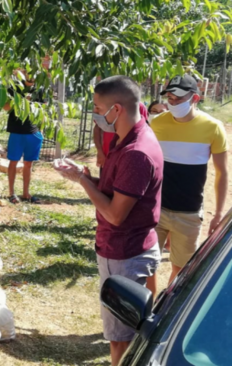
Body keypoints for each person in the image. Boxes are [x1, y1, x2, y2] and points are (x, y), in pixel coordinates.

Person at [54, 76, 162, 366]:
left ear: (116, 109)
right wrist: (89, 178)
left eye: (97, 107)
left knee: (121, 337)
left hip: (124, 252)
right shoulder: (127, 139)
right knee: (136, 327)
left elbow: (115, 214)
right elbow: (120, 191)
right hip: (133, 245)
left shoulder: (136, 152)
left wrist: (81, 181)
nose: (95, 114)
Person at [151, 75, 228, 286]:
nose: (172, 102)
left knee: (181, 270)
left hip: (189, 214)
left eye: (178, 98)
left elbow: (221, 172)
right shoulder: (156, 123)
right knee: (147, 264)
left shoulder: (213, 127)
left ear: (194, 97)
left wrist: (218, 214)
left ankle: (165, 313)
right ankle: (145, 310)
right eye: (169, 97)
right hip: (155, 209)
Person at [3, 73, 44, 204]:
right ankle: (11, 193)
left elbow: (43, 111)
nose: (31, 73)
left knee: (28, 163)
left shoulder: (40, 89)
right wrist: (21, 101)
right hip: (17, 131)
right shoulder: (14, 87)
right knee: (13, 162)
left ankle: (26, 193)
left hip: (33, 133)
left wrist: (41, 131)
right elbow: (5, 106)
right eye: (28, 70)